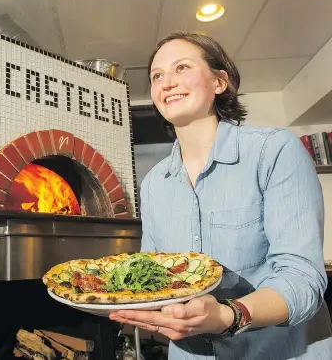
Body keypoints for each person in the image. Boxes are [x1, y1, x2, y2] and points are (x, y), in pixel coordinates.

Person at [109, 32, 332, 359]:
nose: (167, 82)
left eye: (181, 67)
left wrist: (229, 315)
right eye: (157, 76)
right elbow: (154, 272)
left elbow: (302, 279)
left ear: (219, 82)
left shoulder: (273, 150)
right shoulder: (155, 182)